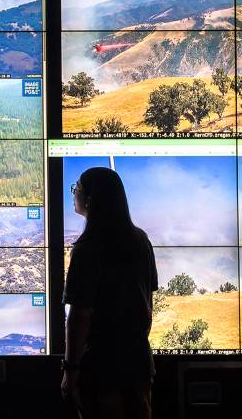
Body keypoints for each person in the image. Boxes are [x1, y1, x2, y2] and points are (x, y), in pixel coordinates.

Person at [60, 166, 158, 419]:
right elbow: (147, 301)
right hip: (138, 365)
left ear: (89, 200)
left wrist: (70, 370)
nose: (73, 193)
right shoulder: (141, 241)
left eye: (76, 189)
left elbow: (79, 316)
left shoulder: (86, 249)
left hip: (99, 370)